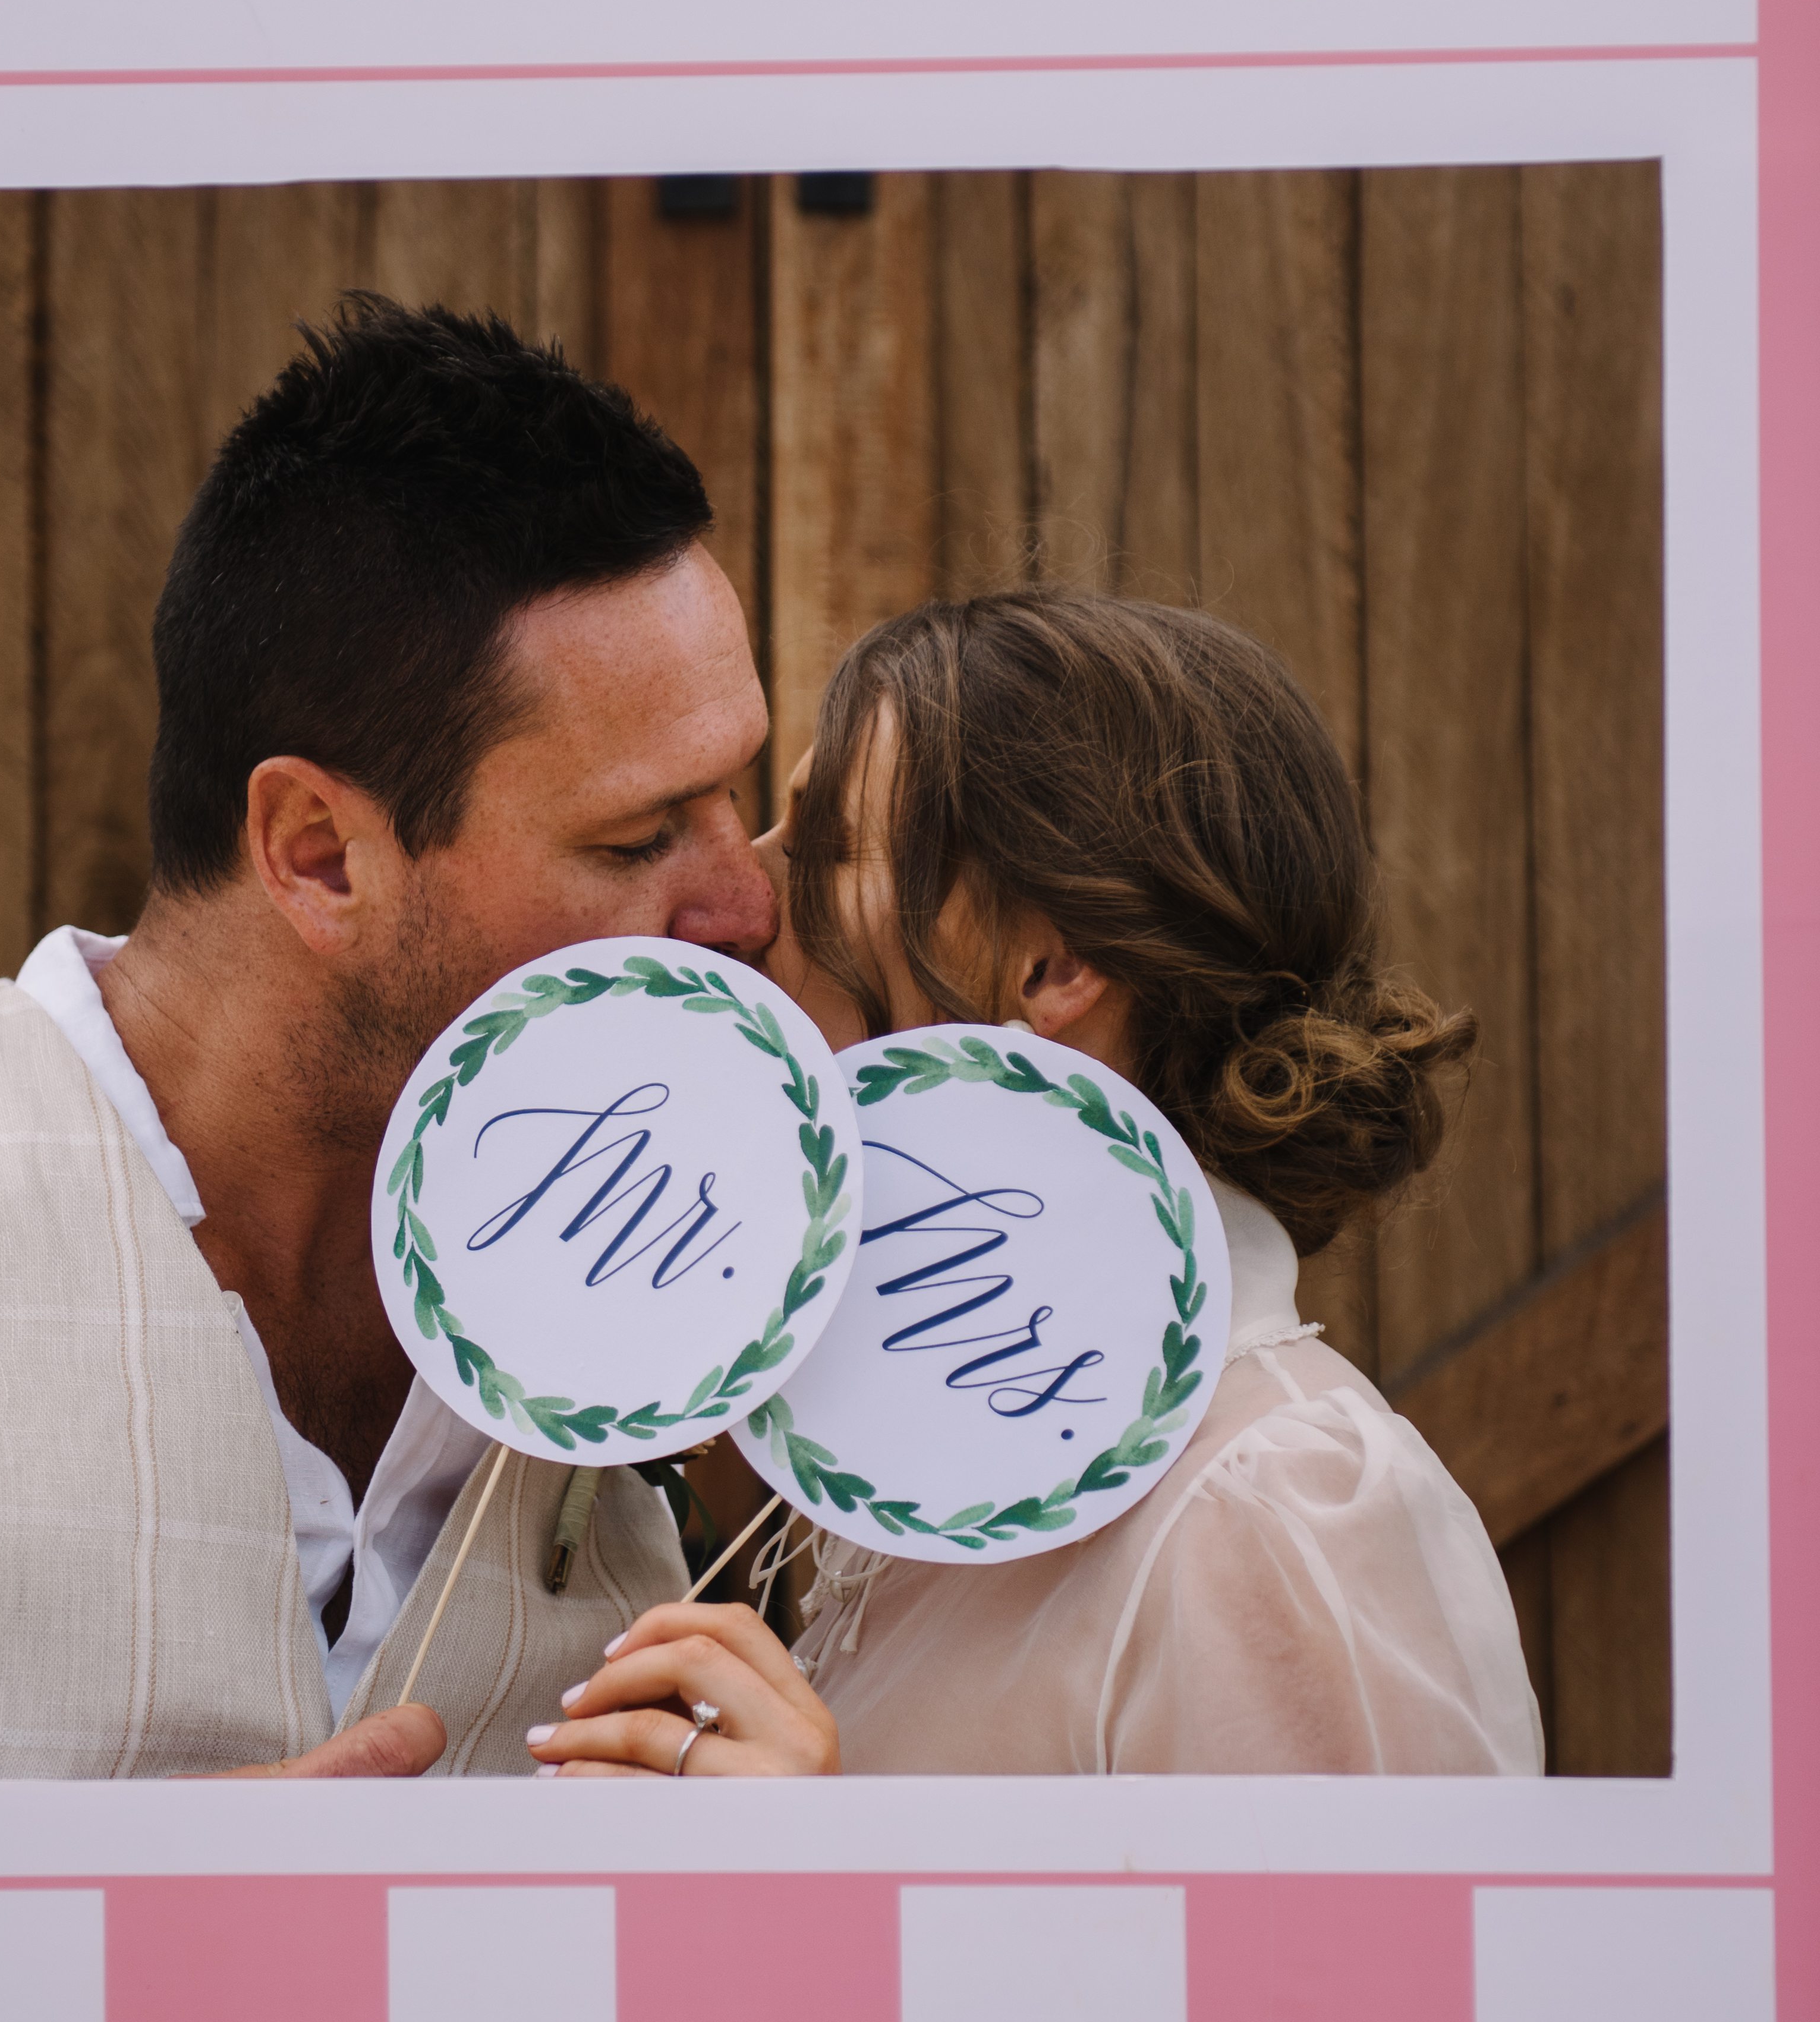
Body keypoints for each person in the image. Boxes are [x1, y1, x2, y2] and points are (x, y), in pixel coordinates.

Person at [0, 298, 777, 1778]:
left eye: (736, 796)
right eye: (637, 836)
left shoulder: (669, 1278)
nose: (746, 903)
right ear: (318, 854)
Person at [528, 588, 1545, 1780]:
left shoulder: (1270, 1506)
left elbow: (1381, 1926)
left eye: (825, 846)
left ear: (1051, 965)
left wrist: (815, 1864)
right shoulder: (942, 1473)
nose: (748, 900)